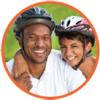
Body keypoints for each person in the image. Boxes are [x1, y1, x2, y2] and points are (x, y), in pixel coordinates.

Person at [6, 7, 86, 96]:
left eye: (46, 38)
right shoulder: (7, 71)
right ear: (20, 39)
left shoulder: (65, 65)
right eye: (32, 37)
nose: (40, 44)